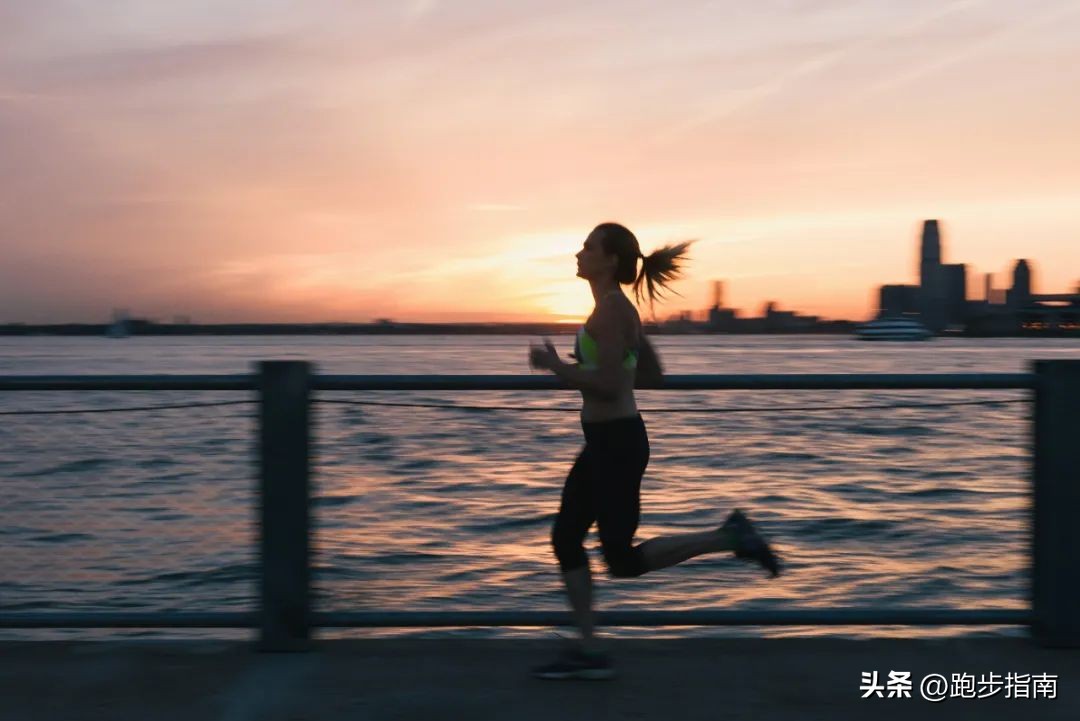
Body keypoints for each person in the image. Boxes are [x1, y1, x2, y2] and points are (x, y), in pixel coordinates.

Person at [527, 222, 780, 681]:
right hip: (607, 443)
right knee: (566, 537)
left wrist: (556, 368)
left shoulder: (609, 313)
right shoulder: (616, 310)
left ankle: (729, 537)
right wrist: (604, 365)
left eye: (588, 247)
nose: (578, 253)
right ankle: (587, 649)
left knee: (620, 560)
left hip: (617, 445)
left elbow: (607, 385)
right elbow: (652, 374)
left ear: (608, 260)